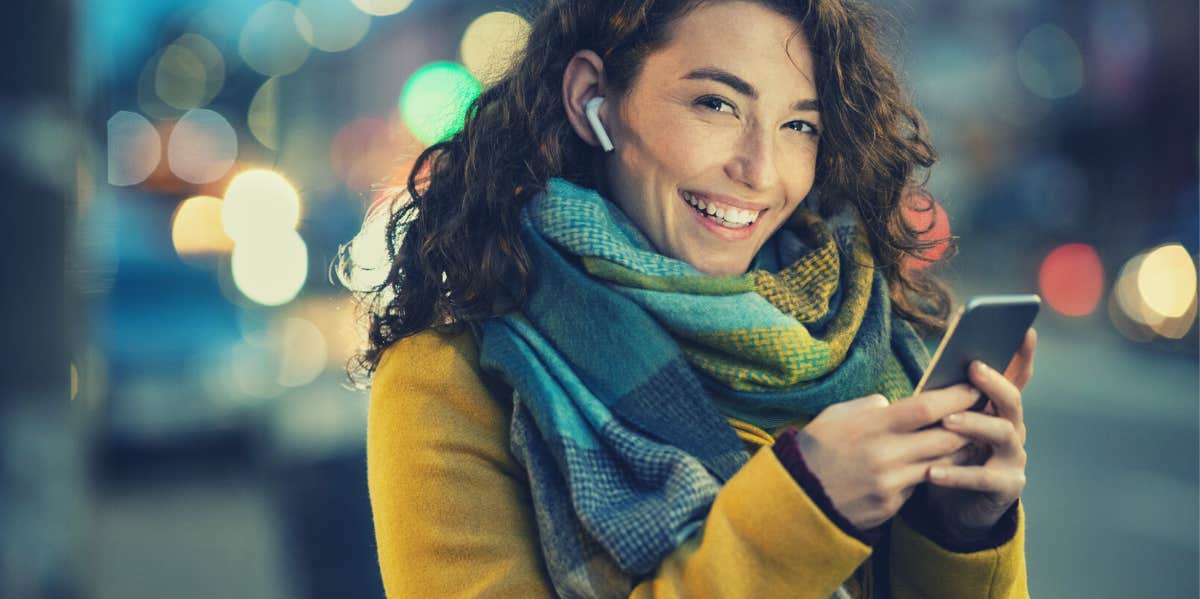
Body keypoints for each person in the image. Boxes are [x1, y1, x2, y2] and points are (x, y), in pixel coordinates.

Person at [346, 0, 1038, 597]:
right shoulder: (447, 381)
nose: (760, 170)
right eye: (716, 104)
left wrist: (958, 527)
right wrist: (804, 511)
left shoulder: (862, 336)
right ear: (593, 98)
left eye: (800, 125)